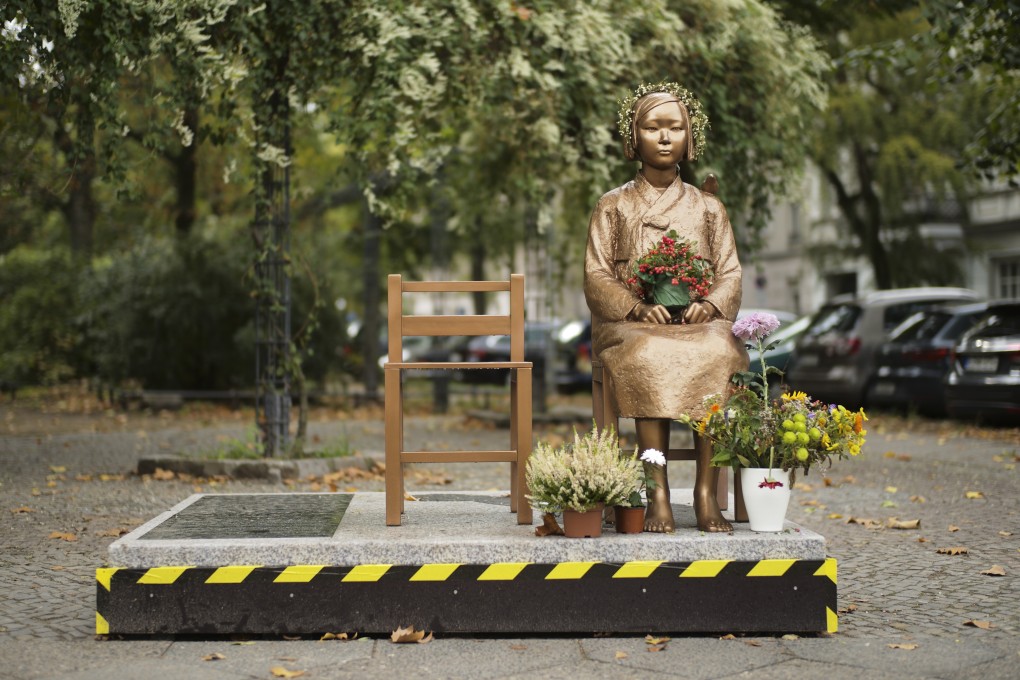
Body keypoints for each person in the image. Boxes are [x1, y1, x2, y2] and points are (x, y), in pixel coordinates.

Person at [583, 82, 747, 532]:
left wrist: (710, 304)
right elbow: (596, 275)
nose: (663, 136)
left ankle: (704, 492)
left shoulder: (708, 207)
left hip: (698, 325)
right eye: (652, 127)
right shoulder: (612, 205)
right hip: (630, 325)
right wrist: (635, 307)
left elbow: (730, 271)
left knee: (719, 353)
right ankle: (656, 490)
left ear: (689, 137)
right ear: (633, 136)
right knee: (649, 356)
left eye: (674, 127)